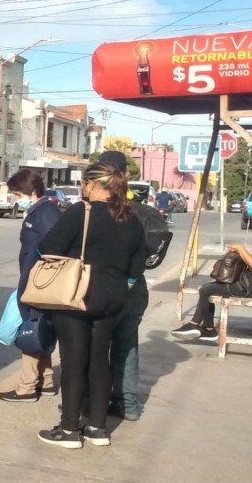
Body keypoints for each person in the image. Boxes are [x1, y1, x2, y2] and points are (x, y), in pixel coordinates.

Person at [36, 163, 146, 449]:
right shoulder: (130, 217)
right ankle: (98, 428)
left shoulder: (80, 212)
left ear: (93, 185)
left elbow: (48, 247)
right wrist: (125, 285)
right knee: (100, 359)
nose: (83, 188)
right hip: (113, 298)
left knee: (74, 360)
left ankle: (70, 429)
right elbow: (138, 263)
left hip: (77, 296)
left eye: (85, 183)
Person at [98, 150, 171, 421]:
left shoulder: (95, 210)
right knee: (126, 343)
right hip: (135, 285)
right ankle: (127, 404)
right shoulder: (142, 212)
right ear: (126, 175)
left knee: (95, 344)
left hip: (102, 286)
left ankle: (92, 402)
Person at [0, 169, 62, 403]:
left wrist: (40, 271)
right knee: (40, 326)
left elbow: (58, 244)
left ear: (31, 192)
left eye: (17, 194)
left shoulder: (46, 212)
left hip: (39, 283)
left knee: (31, 330)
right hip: (34, 280)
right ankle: (46, 381)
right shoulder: (39, 210)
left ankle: (26, 387)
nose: (16, 199)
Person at [171, 242, 252, 341]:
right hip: (250, 283)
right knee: (206, 288)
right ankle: (200, 326)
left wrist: (241, 248)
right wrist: (238, 252)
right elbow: (251, 258)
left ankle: (205, 328)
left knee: (206, 290)